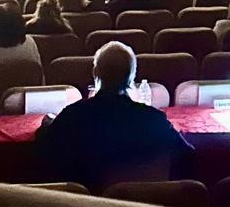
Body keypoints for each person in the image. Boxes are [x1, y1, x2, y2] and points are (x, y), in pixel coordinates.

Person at [34, 40, 193, 192]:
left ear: (95, 72)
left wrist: (47, 124)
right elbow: (186, 154)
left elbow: (44, 151)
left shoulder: (73, 116)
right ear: (132, 76)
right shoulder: (155, 119)